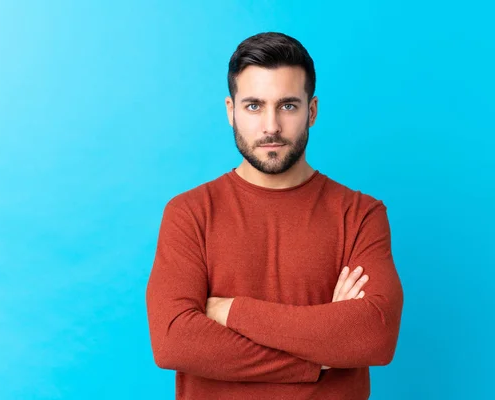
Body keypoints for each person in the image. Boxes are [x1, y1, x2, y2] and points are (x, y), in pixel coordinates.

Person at [145, 31, 404, 400]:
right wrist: (315, 358)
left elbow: (374, 336)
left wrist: (231, 311)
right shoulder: (189, 214)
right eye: (253, 106)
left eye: (287, 106)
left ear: (311, 111)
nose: (271, 126)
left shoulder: (361, 215)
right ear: (230, 111)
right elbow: (174, 342)